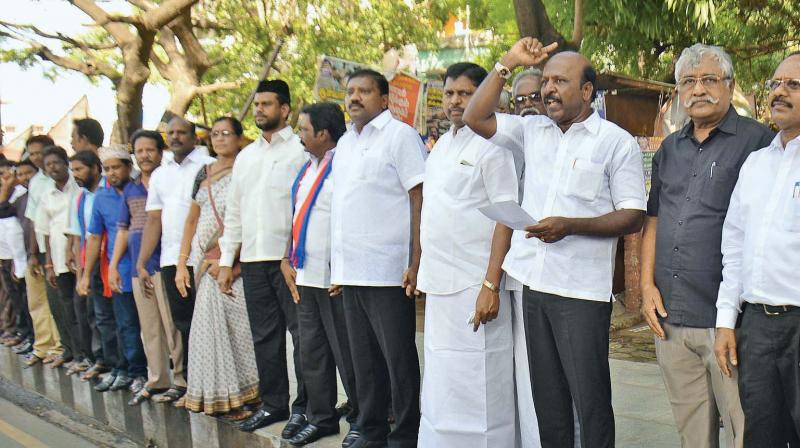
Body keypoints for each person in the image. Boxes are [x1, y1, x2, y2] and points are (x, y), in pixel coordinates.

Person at [463, 39, 647, 448]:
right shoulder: (532, 131)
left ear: (586, 92)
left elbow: (633, 214)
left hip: (580, 292)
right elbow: (475, 115)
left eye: (560, 81)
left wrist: (571, 225)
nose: (548, 89)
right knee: (548, 401)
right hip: (535, 285)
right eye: (546, 81)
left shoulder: (615, 142)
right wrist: (509, 62)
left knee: (591, 401)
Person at [640, 44, 773, 448]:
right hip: (671, 317)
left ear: (730, 86)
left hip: (731, 324)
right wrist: (646, 287)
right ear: (679, 90)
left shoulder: (759, 143)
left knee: (745, 429)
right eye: (688, 82)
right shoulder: (669, 149)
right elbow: (654, 218)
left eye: (709, 80)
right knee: (692, 434)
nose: (698, 90)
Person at [416, 62, 517, 447]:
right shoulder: (443, 144)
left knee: (482, 383)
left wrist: (491, 283)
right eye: (450, 93)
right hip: (440, 285)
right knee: (444, 380)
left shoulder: (495, 145)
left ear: (484, 95)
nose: (456, 101)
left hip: (477, 285)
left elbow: (505, 217)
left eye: (465, 93)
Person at [330, 69, 426, 448]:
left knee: (397, 358)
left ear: (384, 99)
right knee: (363, 358)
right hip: (353, 271)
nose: (355, 97)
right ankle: (369, 428)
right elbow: (342, 208)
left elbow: (419, 199)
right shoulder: (345, 144)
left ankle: (406, 433)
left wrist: (416, 262)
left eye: (364, 91)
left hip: (389, 271)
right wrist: (338, 268)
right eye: (350, 91)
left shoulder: (400, 137)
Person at [714, 52, 800, 447]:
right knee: (761, 435)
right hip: (758, 327)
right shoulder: (755, 164)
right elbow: (733, 246)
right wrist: (726, 321)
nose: (779, 92)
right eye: (775, 84)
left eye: (793, 85)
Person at [217, 80, 308, 436]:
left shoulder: (300, 150)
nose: (259, 110)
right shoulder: (246, 157)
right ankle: (274, 405)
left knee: (303, 337)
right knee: (264, 337)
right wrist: (228, 260)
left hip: (290, 260)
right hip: (254, 261)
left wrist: (295, 255)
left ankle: (307, 408)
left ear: (284, 109)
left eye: (267, 104)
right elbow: (234, 211)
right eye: (256, 105)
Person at [279, 102, 360, 447]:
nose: (299, 135)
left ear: (323, 134)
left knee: (348, 353)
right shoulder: (308, 167)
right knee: (312, 351)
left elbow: (351, 219)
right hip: (305, 274)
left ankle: (361, 418)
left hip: (334, 277)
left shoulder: (344, 164)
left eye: (303, 129)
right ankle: (322, 417)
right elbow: (299, 214)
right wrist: (286, 258)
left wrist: (343, 269)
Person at [173, 116, 259, 419]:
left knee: (240, 331)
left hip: (234, 261)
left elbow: (251, 218)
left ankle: (249, 396)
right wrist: (182, 264)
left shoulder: (246, 170)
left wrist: (231, 260)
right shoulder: (203, 173)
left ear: (239, 137)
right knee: (210, 333)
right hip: (204, 261)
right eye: (215, 134)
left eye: (226, 134)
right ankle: (223, 398)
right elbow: (192, 220)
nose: (220, 139)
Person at [138, 117, 214, 405]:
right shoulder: (160, 174)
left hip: (203, 257)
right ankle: (192, 387)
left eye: (182, 132)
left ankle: (212, 387)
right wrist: (143, 261)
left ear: (194, 137)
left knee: (208, 324)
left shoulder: (207, 165)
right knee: (184, 324)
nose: (176, 137)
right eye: (171, 133)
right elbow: (154, 219)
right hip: (171, 258)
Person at [112, 130, 185, 406]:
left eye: (149, 150)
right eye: (139, 151)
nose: (144, 155)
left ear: (160, 151)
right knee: (150, 328)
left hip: (163, 264)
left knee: (172, 326)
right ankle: (157, 380)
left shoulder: (169, 180)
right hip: (137, 268)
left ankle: (180, 381)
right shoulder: (130, 189)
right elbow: (123, 229)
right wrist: (114, 266)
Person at [79, 145, 147, 393]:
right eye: (107, 169)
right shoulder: (102, 197)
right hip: (118, 272)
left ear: (129, 167)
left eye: (116, 167)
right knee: (123, 324)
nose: (112, 173)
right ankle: (128, 370)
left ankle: (143, 372)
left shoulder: (141, 191)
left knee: (149, 327)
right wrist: (87, 274)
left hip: (146, 268)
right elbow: (95, 237)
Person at [36, 145, 84, 372]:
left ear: (66, 163)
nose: (53, 167)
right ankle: (75, 352)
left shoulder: (79, 188)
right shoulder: (47, 195)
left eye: (57, 162)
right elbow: (45, 231)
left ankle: (88, 354)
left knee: (83, 308)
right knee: (67, 308)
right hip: (58, 258)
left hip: (81, 257)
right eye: (48, 165)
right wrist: (48, 264)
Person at [19, 136, 63, 367]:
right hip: (39, 250)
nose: (36, 157)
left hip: (58, 251)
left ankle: (59, 346)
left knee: (56, 302)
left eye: (40, 152)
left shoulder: (60, 179)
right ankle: (42, 346)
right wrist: (33, 253)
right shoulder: (36, 180)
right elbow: (34, 221)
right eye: (32, 153)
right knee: (37, 301)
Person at [65, 150, 107, 379]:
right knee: (95, 315)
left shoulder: (107, 190)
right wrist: (82, 274)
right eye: (73, 170)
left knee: (113, 319)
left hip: (110, 263)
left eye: (79, 169)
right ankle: (100, 359)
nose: (75, 175)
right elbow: (81, 237)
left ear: (94, 168)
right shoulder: (81, 197)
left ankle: (119, 365)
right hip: (90, 264)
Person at [0, 159, 37, 358]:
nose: (22, 178)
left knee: (27, 300)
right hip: (9, 256)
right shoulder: (16, 197)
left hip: (24, 256)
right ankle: (25, 335)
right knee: (18, 299)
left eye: (26, 173)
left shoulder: (24, 194)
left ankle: (31, 336)